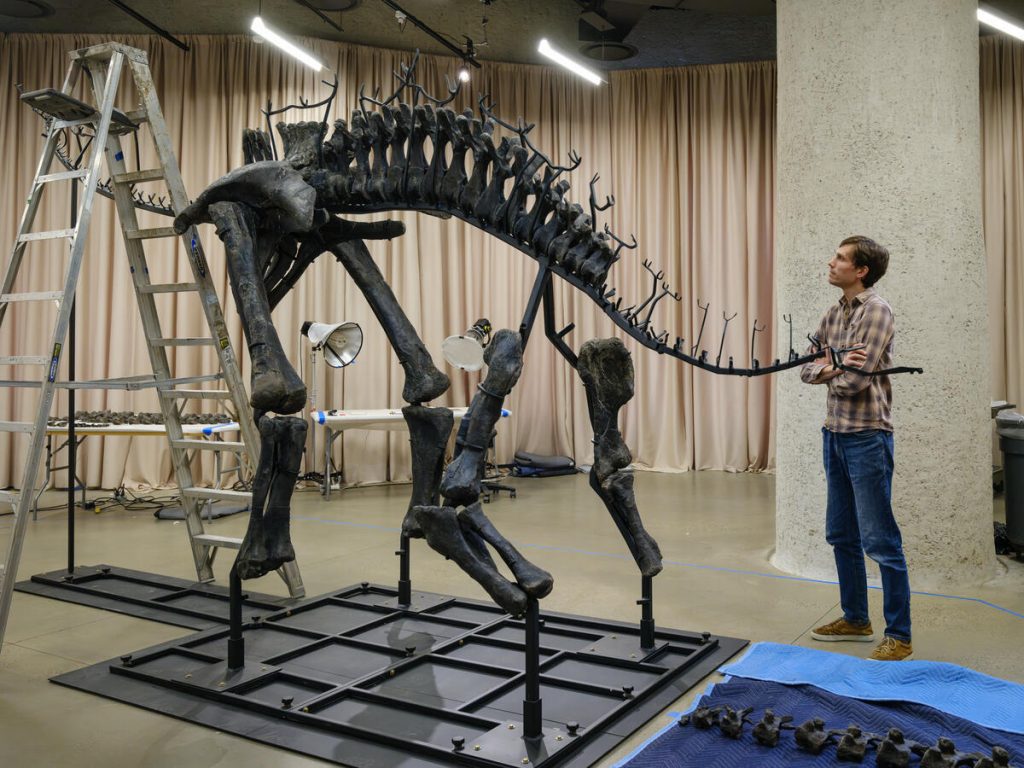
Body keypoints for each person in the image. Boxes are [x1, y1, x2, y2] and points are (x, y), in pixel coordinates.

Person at [801, 236, 912, 662]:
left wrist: (830, 369)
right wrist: (831, 367)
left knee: (881, 540)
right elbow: (805, 367)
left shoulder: (877, 310)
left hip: (867, 436)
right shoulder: (834, 313)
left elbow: (854, 381)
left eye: (841, 258)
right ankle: (856, 618)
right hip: (834, 434)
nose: (831, 262)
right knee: (841, 533)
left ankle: (899, 636)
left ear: (861, 270)